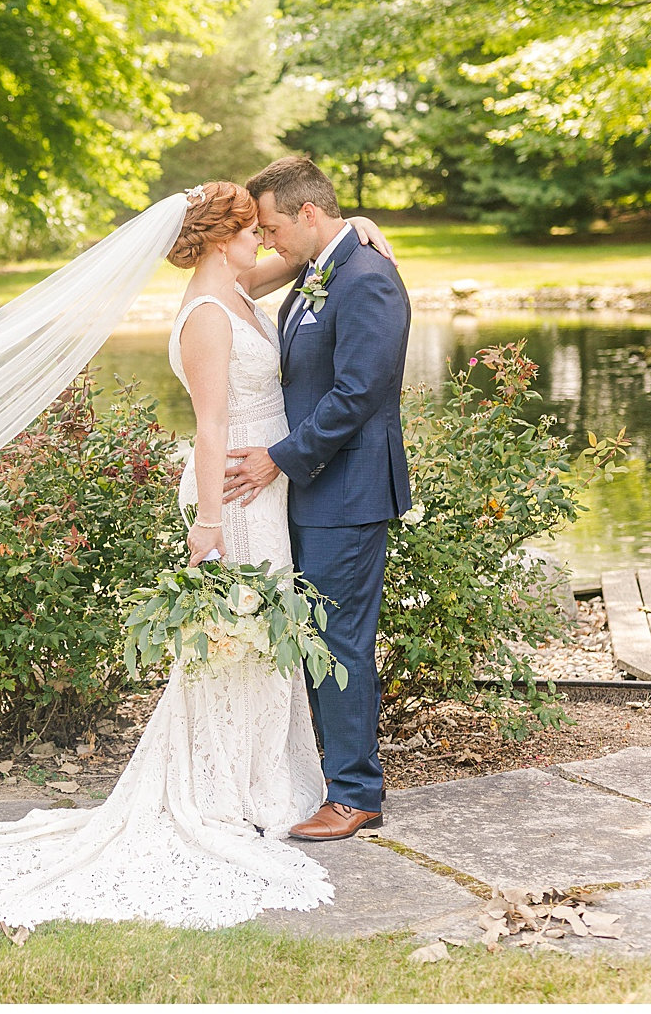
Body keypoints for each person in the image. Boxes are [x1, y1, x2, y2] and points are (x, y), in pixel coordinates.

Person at [0, 181, 394, 931]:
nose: (267, 243)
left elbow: (309, 259)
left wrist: (355, 227)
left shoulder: (237, 285)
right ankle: (216, 793)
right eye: (255, 231)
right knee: (229, 644)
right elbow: (211, 427)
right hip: (234, 495)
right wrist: (207, 525)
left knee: (261, 645)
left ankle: (253, 785)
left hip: (266, 484)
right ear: (224, 240)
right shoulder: (208, 315)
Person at [223, 156, 412, 842]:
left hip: (350, 493)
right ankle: (331, 776)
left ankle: (357, 793)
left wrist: (279, 457)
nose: (268, 240)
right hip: (315, 491)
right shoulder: (316, 269)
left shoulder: (366, 279)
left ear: (307, 214)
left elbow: (359, 394)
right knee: (319, 639)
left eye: (273, 226)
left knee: (343, 643)